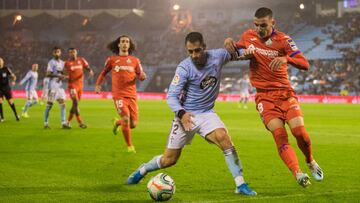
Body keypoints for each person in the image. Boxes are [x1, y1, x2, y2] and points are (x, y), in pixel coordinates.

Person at [126, 32, 257, 195]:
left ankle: (240, 184)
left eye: (197, 50)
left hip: (207, 113)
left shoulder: (218, 56)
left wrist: (244, 49)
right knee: (169, 160)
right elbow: (171, 97)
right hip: (186, 115)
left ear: (204, 47)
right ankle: (143, 170)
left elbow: (241, 54)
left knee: (224, 138)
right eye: (190, 51)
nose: (194, 55)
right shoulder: (184, 68)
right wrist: (182, 114)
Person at [224, 7, 323, 187]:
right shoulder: (248, 36)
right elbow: (234, 52)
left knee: (299, 133)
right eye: (256, 25)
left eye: (263, 25)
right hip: (265, 97)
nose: (259, 29)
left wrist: (287, 58)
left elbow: (305, 64)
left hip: (285, 94)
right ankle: (298, 173)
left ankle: (310, 161)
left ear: (273, 23)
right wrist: (229, 42)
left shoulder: (284, 40)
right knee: (279, 134)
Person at [95, 35, 147, 153]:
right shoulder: (112, 60)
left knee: (133, 124)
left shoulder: (135, 61)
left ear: (129, 45)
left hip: (132, 95)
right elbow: (103, 73)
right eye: (122, 41)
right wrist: (98, 84)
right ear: (118, 44)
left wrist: (143, 76)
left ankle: (116, 123)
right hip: (119, 95)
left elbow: (141, 75)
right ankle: (129, 146)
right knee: (126, 118)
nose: (124, 43)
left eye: (127, 42)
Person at [64, 48, 94, 128]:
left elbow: (87, 67)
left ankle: (68, 122)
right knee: (75, 102)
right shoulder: (67, 63)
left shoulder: (81, 60)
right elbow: (63, 72)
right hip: (72, 85)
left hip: (80, 86)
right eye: (70, 52)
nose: (72, 53)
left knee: (75, 105)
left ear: (76, 52)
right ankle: (79, 122)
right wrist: (64, 76)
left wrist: (90, 71)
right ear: (69, 54)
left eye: (73, 52)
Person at [44, 47, 70, 129]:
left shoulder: (62, 63)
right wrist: (58, 75)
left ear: (60, 53)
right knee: (49, 104)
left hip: (59, 86)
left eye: (58, 52)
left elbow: (63, 73)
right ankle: (46, 123)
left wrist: (65, 76)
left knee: (63, 104)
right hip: (52, 86)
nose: (56, 53)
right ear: (53, 53)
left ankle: (63, 123)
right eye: (55, 52)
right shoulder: (51, 62)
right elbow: (48, 74)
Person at [0, 57, 19, 122]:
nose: (0, 62)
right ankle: (2, 117)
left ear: (3, 62)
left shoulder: (6, 69)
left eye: (1, 61)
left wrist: (14, 80)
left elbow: (13, 76)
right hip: (0, 89)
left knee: (11, 102)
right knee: (0, 102)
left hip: (6, 88)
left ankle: (16, 115)